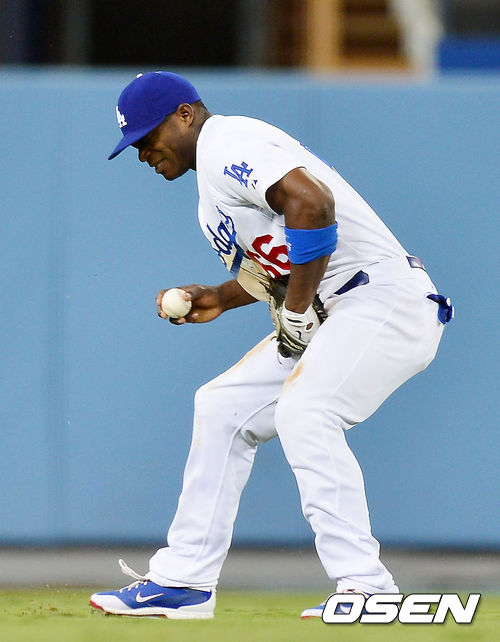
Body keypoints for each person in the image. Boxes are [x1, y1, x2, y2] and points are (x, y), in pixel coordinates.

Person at [90, 71, 453, 620]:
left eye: (147, 136)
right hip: (338, 309)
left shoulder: (227, 143)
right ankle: (183, 582)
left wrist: (298, 310)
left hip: (383, 299)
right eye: (134, 144)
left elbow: (313, 204)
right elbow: (283, 264)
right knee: (220, 408)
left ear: (185, 114)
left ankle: (367, 588)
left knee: (307, 409)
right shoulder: (211, 191)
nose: (142, 152)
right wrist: (222, 295)